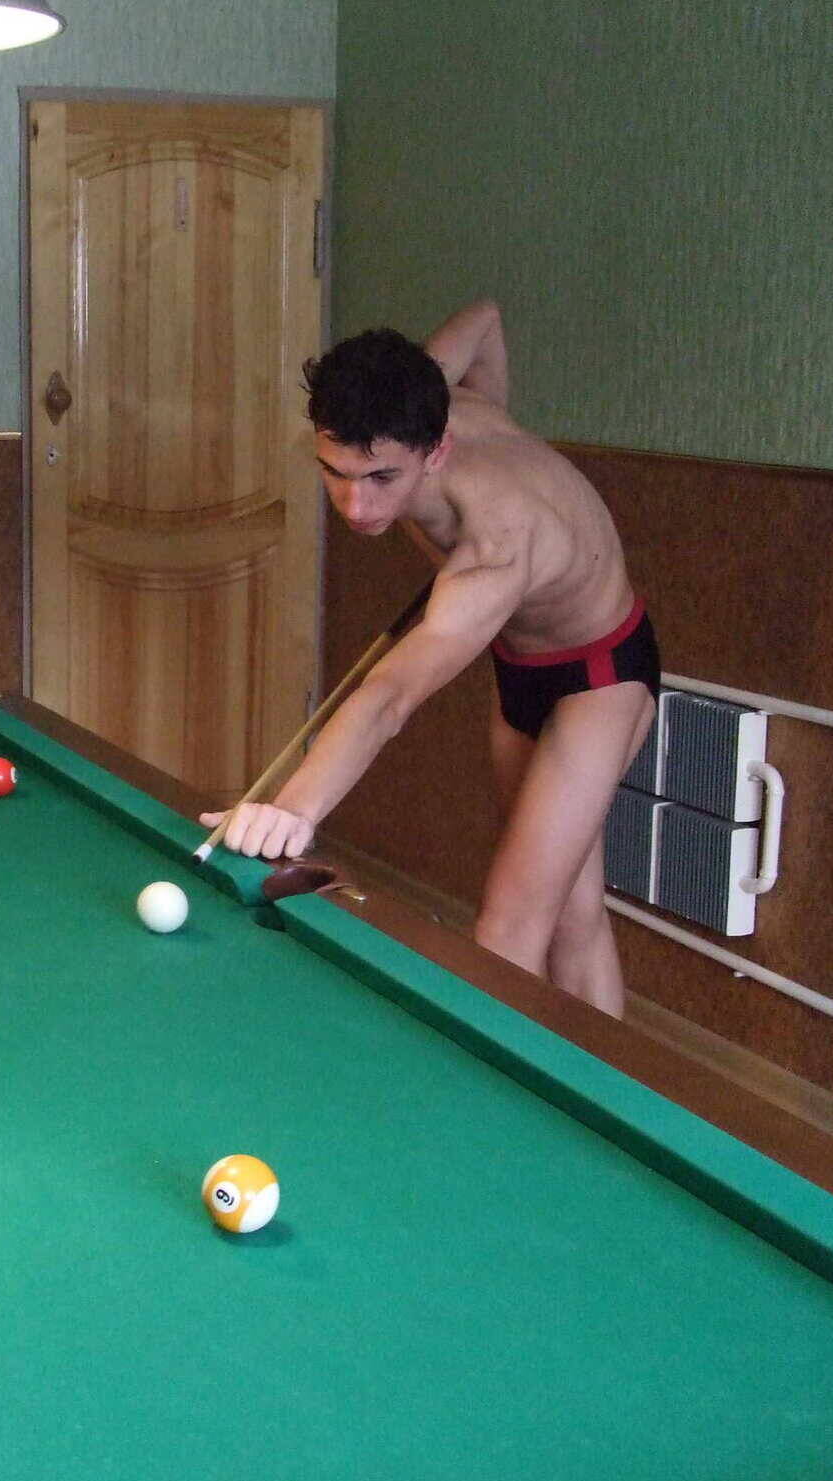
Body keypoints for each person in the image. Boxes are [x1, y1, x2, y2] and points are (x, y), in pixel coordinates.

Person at [201, 301, 658, 1015]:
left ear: (436, 451)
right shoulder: (425, 394)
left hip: (600, 675)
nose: (355, 506)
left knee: (507, 925)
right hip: (522, 669)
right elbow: (487, 319)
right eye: (335, 473)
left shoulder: (497, 546)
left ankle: (496, 1085)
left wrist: (292, 811)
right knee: (572, 907)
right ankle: (603, 1081)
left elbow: (390, 698)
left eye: (383, 479)